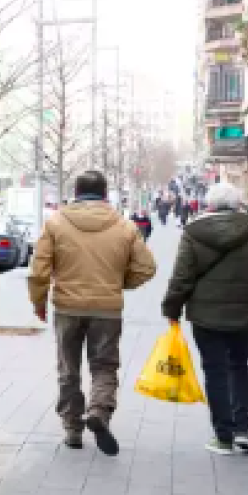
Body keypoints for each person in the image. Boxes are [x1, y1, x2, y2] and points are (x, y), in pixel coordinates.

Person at [29, 171, 157, 456]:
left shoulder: (56, 223)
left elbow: (39, 271)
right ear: (105, 193)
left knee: (68, 368)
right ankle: (99, 411)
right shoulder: (124, 226)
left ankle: (73, 428)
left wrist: (38, 302)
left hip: (67, 307)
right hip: (107, 309)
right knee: (104, 365)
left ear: (75, 191)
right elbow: (146, 267)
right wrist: (119, 284)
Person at [163, 182, 248, 455]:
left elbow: (182, 278)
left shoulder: (193, 233)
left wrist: (172, 309)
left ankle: (223, 436)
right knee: (239, 365)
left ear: (209, 205)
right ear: (238, 204)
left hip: (205, 316)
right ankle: (242, 430)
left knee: (215, 371)